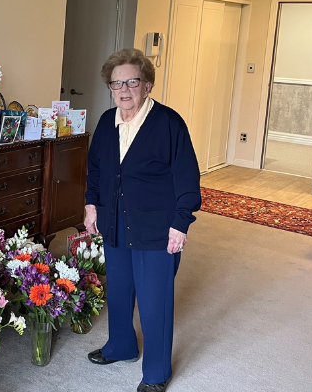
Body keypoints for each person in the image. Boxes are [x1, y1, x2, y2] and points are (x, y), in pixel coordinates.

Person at [84, 48, 201, 392]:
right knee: (118, 292)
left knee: (154, 303)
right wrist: (92, 205)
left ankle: (156, 373)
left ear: (147, 85)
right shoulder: (107, 122)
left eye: (131, 81)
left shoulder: (169, 124)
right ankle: (121, 345)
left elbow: (187, 179)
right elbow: (96, 169)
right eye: (116, 83)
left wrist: (181, 223)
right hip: (115, 223)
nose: (123, 90)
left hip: (157, 229)